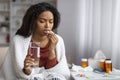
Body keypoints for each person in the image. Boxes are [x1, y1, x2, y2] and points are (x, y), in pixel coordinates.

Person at [0, 2, 70, 80]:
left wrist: (52, 50)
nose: (47, 26)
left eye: (51, 22)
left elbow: (57, 73)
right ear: (33, 22)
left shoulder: (58, 41)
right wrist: (27, 71)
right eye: (42, 21)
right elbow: (16, 72)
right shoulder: (18, 41)